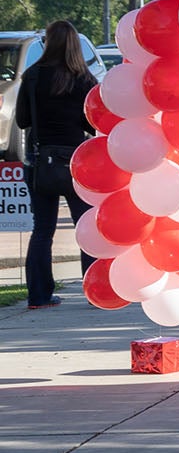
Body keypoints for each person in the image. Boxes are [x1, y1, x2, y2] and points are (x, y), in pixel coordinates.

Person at [17, 20, 97, 308]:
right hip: (77, 163)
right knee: (86, 228)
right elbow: (93, 121)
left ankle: (38, 295)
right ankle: (94, 291)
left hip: (40, 163)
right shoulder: (84, 79)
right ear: (75, 45)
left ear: (47, 43)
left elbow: (22, 121)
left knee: (42, 230)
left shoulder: (33, 76)